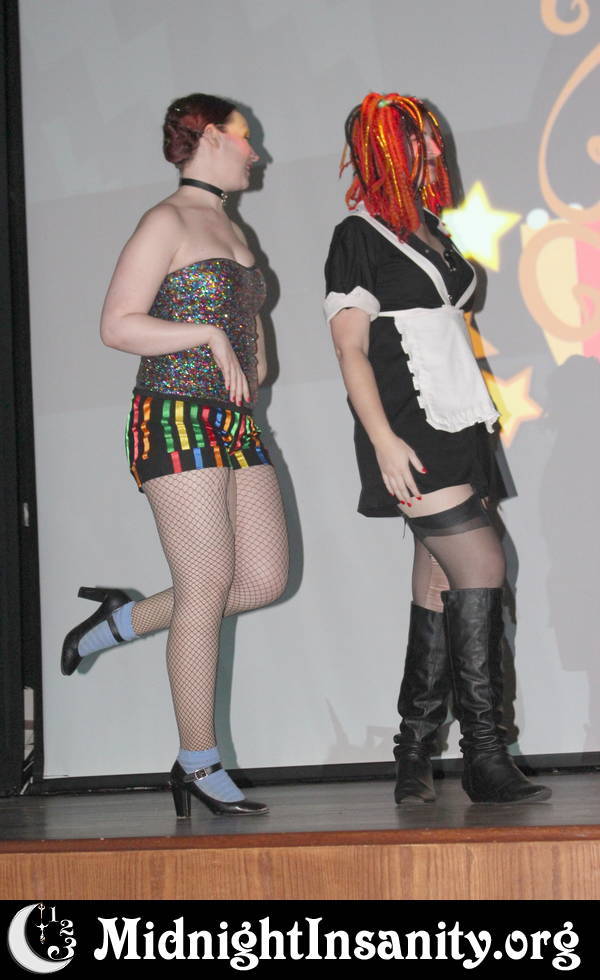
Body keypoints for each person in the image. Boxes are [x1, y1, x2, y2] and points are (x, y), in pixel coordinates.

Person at [61, 93, 289, 818]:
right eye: (246, 139)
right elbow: (117, 324)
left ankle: (119, 622)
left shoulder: (231, 224)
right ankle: (198, 762)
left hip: (234, 422)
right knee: (206, 585)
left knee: (262, 580)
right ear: (213, 137)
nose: (256, 153)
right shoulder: (165, 220)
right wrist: (210, 338)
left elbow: (244, 312)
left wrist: (253, 349)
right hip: (173, 414)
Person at [324, 92, 550, 805]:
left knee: (439, 582)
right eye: (416, 139)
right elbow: (350, 348)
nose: (432, 148)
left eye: (430, 137)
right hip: (409, 426)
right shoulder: (358, 235)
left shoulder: (431, 228)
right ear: (384, 150)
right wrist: (382, 441)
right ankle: (485, 754)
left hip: (460, 419)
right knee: (482, 563)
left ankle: (414, 754)